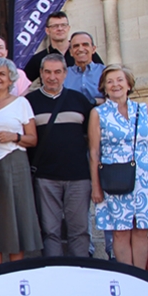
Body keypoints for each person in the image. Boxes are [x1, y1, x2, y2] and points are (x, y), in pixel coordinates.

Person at [90, 65, 148, 267]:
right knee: (119, 232)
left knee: (141, 230)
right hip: (115, 178)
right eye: (110, 81)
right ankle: (128, 278)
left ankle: (141, 277)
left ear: (129, 84)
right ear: (104, 87)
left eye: (120, 80)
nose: (115, 85)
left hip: (144, 178)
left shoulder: (144, 110)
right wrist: (96, 186)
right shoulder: (99, 113)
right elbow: (94, 153)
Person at [26, 54, 95, 257]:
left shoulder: (79, 100)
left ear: (65, 73)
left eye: (57, 72)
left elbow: (92, 138)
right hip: (45, 177)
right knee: (50, 231)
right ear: (40, 73)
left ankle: (81, 269)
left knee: (80, 230)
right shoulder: (29, 102)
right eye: (47, 72)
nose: (52, 77)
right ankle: (53, 272)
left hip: (79, 176)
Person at [0, 58, 42, 265]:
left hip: (15, 162)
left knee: (18, 215)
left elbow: (32, 139)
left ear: (10, 79)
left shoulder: (21, 103)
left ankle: (16, 270)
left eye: (2, 74)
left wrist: (14, 137)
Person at [22, 11, 104, 84]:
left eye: (63, 25)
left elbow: (103, 76)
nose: (60, 29)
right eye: (55, 26)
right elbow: (22, 85)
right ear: (47, 31)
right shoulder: (39, 59)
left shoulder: (84, 53)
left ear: (68, 28)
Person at [64, 31, 104, 104]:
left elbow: (115, 98)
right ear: (71, 52)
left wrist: (95, 101)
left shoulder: (104, 72)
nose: (81, 49)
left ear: (93, 49)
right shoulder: (63, 75)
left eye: (85, 45)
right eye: (76, 46)